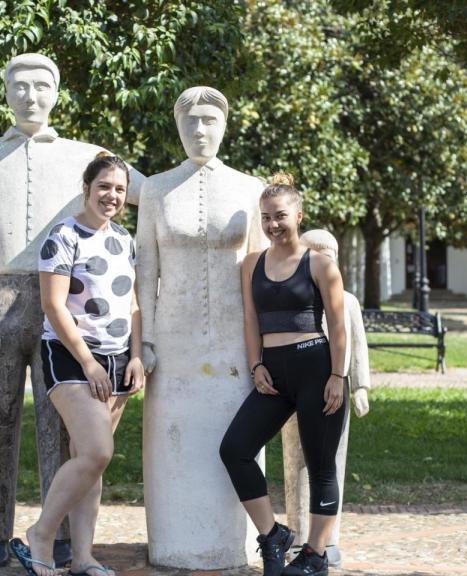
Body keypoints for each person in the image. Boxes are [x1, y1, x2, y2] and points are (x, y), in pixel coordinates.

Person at [0, 53, 143, 568]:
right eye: (19, 85)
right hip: (1, 297)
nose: (30, 95)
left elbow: (149, 190)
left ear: (57, 92)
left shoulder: (86, 156)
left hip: (67, 308)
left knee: (61, 432)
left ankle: (59, 539)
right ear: (5, 91)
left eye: (41, 85)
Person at [135, 86, 266, 568]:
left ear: (225, 125)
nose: (199, 129)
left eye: (209, 120)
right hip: (172, 342)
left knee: (235, 439)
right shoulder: (154, 189)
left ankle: (238, 540)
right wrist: (145, 340)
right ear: (177, 127)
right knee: (174, 445)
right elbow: (145, 269)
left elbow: (260, 269)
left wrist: (262, 347)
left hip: (235, 340)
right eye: (190, 121)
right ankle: (174, 542)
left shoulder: (250, 188)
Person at [11, 152, 145, 576]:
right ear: (86, 188)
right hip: (72, 356)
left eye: (120, 189)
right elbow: (53, 305)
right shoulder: (63, 236)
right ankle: (41, 534)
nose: (112, 195)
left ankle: (84, 557)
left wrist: (136, 355)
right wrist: (88, 362)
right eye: (104, 186)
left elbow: (133, 303)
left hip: (118, 358)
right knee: (97, 451)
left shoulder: (124, 238)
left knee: (90, 462)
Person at [220, 173, 347, 576]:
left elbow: (338, 326)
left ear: (298, 215)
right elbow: (250, 318)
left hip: (316, 369)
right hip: (272, 374)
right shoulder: (251, 264)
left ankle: (316, 555)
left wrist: (338, 376)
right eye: (266, 217)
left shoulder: (320, 264)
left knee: (320, 464)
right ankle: (272, 534)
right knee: (235, 449)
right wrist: (256, 365)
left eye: (280, 216)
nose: (273, 224)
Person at [282, 229, 371, 568]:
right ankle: (298, 533)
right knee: (296, 464)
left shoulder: (348, 301)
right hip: (295, 389)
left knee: (332, 463)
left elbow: (357, 345)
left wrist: (360, 386)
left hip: (336, 389)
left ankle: (328, 538)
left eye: (328, 256)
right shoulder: (291, 298)